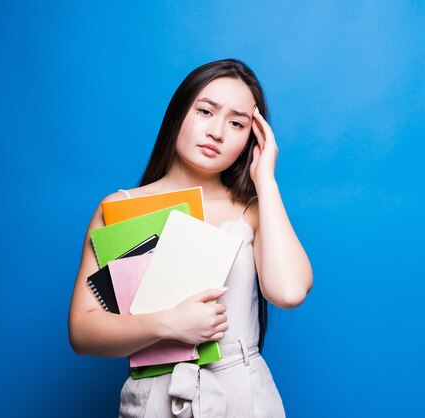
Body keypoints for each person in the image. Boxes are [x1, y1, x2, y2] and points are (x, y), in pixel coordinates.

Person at [68, 58, 313, 417]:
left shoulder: (254, 211)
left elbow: (289, 292)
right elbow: (82, 330)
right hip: (155, 398)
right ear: (179, 112)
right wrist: (168, 323)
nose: (217, 132)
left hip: (243, 395)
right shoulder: (121, 207)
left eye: (236, 123)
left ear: (251, 139)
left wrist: (266, 180)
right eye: (205, 112)